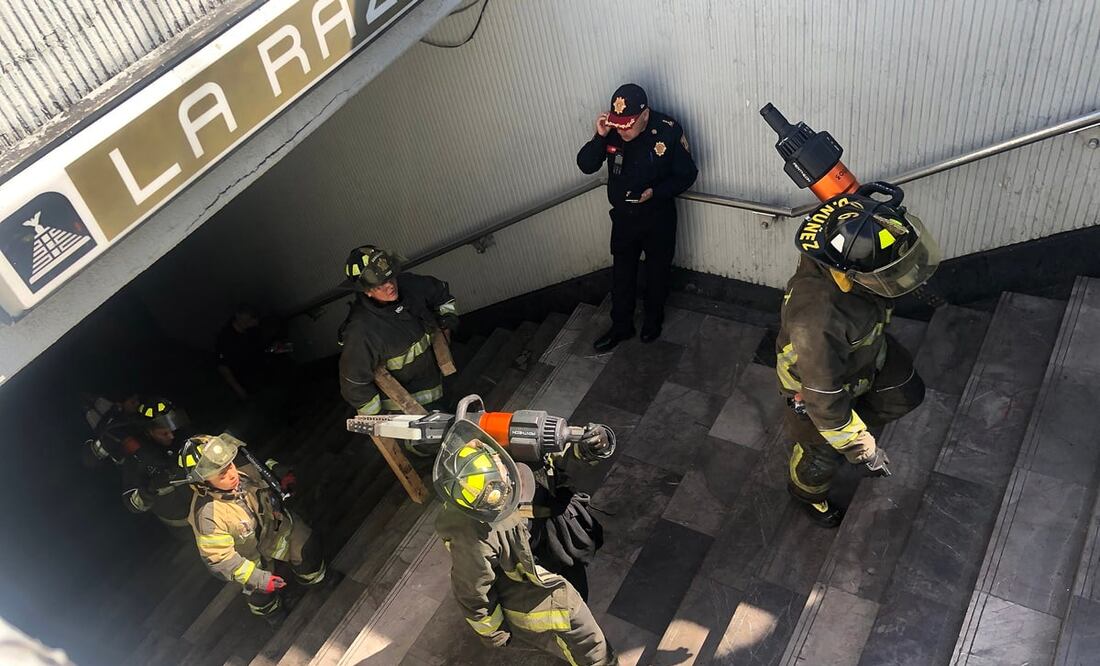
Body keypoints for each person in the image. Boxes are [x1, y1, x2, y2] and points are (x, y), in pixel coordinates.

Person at [777, 182, 938, 527]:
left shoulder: (847, 237)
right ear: (848, 275)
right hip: (819, 385)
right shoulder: (816, 322)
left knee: (907, 390)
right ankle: (807, 494)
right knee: (822, 455)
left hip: (866, 352)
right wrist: (861, 447)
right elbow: (823, 399)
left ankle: (853, 423)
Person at [433, 418, 617, 665]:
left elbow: (555, 455)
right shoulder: (472, 534)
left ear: (496, 457)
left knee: (577, 582)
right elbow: (473, 589)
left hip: (544, 533)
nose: (507, 499)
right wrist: (494, 633)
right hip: (523, 573)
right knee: (575, 619)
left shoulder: (511, 443)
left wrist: (587, 446)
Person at [577, 82, 698, 351]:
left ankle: (653, 322)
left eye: (628, 124)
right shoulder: (612, 131)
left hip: (658, 216)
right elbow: (586, 165)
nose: (623, 131)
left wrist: (655, 192)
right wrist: (599, 137)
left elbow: (687, 175)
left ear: (645, 115)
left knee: (657, 273)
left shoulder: (667, 131)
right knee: (622, 275)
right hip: (624, 218)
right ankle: (621, 326)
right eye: (618, 124)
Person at [181, 433, 325, 623]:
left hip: (277, 529)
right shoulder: (208, 516)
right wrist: (258, 578)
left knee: (308, 550)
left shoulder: (244, 465)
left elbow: (266, 466)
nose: (232, 474)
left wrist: (282, 474)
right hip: (249, 559)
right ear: (202, 483)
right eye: (222, 474)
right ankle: (272, 613)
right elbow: (219, 559)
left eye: (230, 465)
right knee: (259, 593)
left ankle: (316, 581)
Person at [338, 245, 458, 419]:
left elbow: (442, 295)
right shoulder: (361, 331)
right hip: (407, 413)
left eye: (390, 277)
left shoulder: (411, 286)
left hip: (442, 383)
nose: (390, 285)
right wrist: (381, 420)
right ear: (366, 291)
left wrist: (447, 323)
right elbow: (354, 384)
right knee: (427, 444)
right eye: (380, 285)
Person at [120, 398, 194, 535]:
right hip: (183, 528)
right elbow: (132, 504)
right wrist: (149, 488)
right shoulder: (138, 458)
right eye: (164, 433)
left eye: (172, 429)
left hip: (212, 513)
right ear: (149, 432)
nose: (171, 435)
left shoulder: (185, 438)